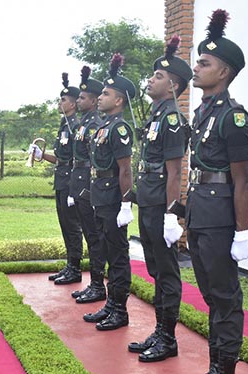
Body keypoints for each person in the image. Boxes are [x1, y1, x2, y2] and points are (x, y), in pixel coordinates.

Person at [173, 9, 248, 374]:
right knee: (211, 296)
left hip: (222, 219)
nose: (197, 68)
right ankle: (214, 372)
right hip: (202, 215)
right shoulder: (204, 111)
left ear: (223, 72)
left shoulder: (233, 117)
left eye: (204, 63)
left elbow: (242, 181)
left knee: (225, 299)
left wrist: (242, 231)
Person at [128, 35, 192, 363]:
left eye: (158, 76)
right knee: (155, 269)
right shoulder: (155, 116)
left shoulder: (171, 119)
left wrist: (171, 214)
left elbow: (175, 171)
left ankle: (168, 339)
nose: (151, 80)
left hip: (159, 206)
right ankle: (160, 330)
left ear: (173, 86)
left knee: (167, 272)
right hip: (148, 201)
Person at [82, 53, 135, 331]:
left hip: (113, 197)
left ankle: (120, 309)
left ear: (119, 100)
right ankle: (111, 304)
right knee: (106, 249)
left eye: (106, 94)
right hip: (100, 195)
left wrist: (126, 204)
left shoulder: (120, 128)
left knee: (118, 255)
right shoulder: (104, 126)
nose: (100, 97)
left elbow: (125, 169)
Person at [69, 66, 107, 304]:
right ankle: (93, 284)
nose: (78, 101)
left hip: (88, 184)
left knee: (94, 238)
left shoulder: (94, 124)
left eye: (83, 98)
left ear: (93, 101)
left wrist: (91, 190)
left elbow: (95, 160)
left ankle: (97, 285)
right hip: (79, 181)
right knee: (88, 235)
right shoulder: (84, 123)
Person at [41, 74, 83, 285]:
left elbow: (78, 159)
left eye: (63, 100)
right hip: (61, 180)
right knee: (65, 225)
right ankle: (69, 265)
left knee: (73, 226)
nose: (59, 103)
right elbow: (61, 159)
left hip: (70, 182)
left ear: (73, 104)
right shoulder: (64, 125)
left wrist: (75, 187)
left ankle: (75, 268)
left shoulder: (76, 126)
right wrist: (41, 155)